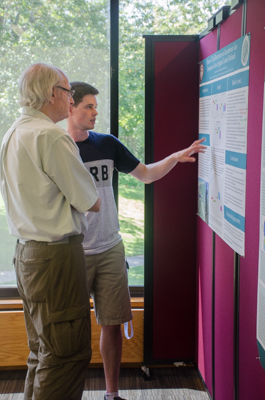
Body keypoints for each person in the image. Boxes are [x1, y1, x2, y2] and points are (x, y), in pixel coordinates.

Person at [67, 81, 206, 400]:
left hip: (111, 249)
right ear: (70, 107)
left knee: (112, 325)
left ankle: (112, 394)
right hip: (73, 251)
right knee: (72, 330)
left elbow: (145, 174)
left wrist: (174, 156)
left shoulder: (107, 144)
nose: (95, 112)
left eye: (95, 106)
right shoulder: (58, 147)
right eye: (88, 106)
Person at [0, 64, 101, 400]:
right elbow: (91, 201)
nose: (71, 99)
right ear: (51, 93)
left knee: (42, 352)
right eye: (68, 91)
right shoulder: (51, 136)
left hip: (27, 255)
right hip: (55, 257)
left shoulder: (14, 132)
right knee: (66, 355)